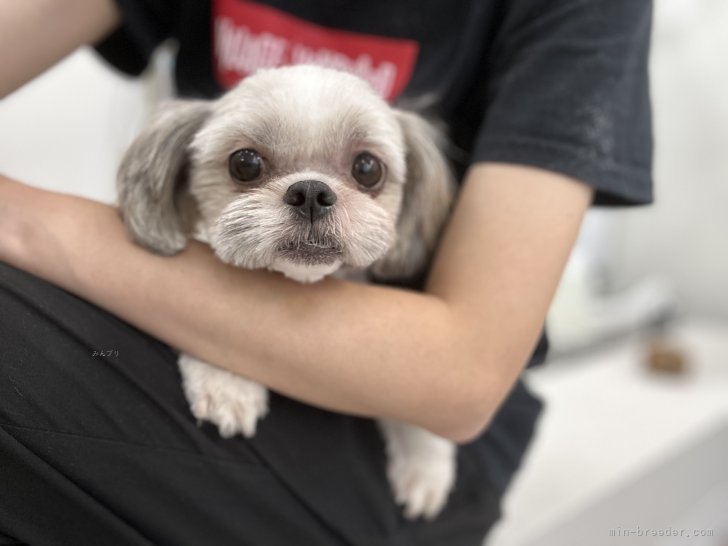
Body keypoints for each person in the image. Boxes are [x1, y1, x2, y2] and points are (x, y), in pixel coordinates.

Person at [0, 1, 653, 544]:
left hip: (421, 409)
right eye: (249, 167)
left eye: (364, 172)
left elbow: (462, 380)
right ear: (178, 173)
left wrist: (26, 222)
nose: (311, 197)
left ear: (406, 184)